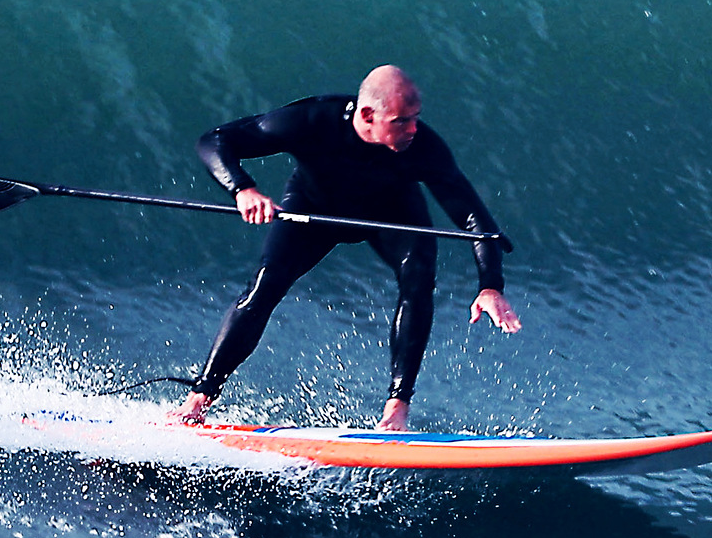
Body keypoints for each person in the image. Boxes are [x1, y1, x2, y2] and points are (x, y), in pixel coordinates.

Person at [172, 65, 520, 431]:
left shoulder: (424, 148)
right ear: (368, 115)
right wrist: (242, 188)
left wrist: (490, 285)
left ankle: (396, 411)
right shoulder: (310, 120)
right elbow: (213, 141)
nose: (414, 129)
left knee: (418, 280)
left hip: (391, 215)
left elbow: (474, 218)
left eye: (416, 119)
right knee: (266, 284)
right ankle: (198, 400)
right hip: (313, 208)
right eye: (402, 121)